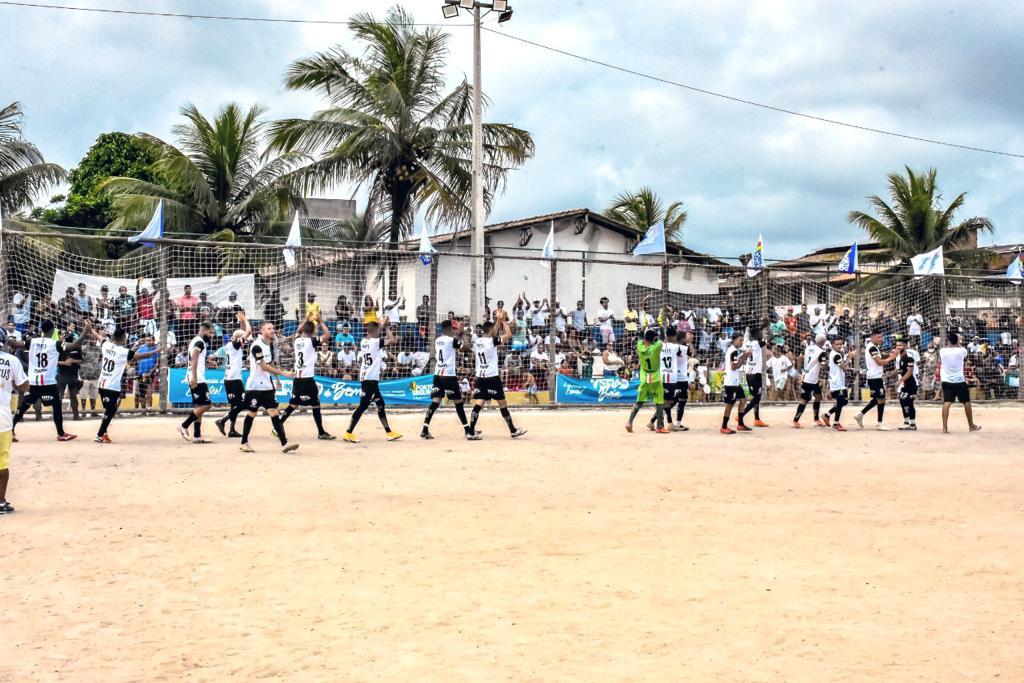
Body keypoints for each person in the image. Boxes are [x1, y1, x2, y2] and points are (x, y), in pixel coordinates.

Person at [12, 319, 90, 442]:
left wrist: (6, 339)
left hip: (33, 382)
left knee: (23, 407)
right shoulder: (55, 343)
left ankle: (10, 429)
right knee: (56, 406)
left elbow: (15, 344)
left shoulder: (32, 341)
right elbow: (75, 345)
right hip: (48, 382)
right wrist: (86, 330)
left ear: (41, 330)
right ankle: (61, 433)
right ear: (53, 330)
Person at [84, 326, 160, 443]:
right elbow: (140, 356)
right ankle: (99, 434)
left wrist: (89, 326)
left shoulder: (107, 345)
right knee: (111, 411)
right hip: (112, 386)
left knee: (109, 410)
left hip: (102, 383)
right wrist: (156, 351)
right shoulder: (123, 352)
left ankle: (104, 434)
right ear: (123, 338)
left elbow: (97, 336)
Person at [239, 321, 299, 453]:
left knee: (274, 412)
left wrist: (277, 379)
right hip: (254, 386)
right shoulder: (256, 346)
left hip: (267, 386)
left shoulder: (269, 345)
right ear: (262, 331)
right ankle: (244, 442)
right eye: (269, 328)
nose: (272, 330)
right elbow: (264, 366)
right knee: (252, 413)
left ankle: (284, 444)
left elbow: (270, 363)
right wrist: (283, 373)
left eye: (273, 328)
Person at [466, 318, 527, 440]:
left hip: (481, 377)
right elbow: (509, 335)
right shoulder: (492, 341)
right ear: (491, 330)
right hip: (492, 377)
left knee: (479, 403)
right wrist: (504, 321)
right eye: (494, 329)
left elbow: (492, 332)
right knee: (502, 404)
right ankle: (513, 430)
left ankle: (470, 431)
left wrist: (497, 322)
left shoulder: (477, 341)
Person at [277, 314, 335, 440]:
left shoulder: (297, 340)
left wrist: (306, 319)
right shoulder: (312, 341)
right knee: (315, 404)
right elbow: (328, 335)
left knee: (294, 404)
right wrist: (320, 321)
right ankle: (321, 432)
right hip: (307, 379)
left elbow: (298, 331)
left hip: (298, 378)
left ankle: (278, 426)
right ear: (313, 331)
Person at [344, 320, 401, 443]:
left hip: (368, 378)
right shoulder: (376, 342)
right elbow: (392, 340)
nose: (380, 332)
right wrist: (386, 327)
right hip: (370, 378)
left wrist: (379, 325)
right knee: (363, 406)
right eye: (379, 331)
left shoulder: (363, 341)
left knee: (381, 404)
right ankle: (348, 432)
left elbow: (373, 331)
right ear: (375, 331)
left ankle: (389, 432)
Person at [421, 319, 473, 440]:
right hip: (448, 375)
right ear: (449, 328)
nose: (454, 330)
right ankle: (468, 431)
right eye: (453, 328)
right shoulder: (451, 340)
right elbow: (466, 347)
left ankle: (424, 429)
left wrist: (457, 335)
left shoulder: (438, 340)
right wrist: (462, 334)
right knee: (459, 403)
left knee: (435, 402)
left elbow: (452, 343)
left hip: (438, 374)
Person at [0, 329, 28, 514]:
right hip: (2, 420)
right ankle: (1, 502)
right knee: (2, 463)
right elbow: (24, 386)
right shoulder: (11, 360)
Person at [177, 321, 215, 444]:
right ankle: (184, 425)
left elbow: (196, 359)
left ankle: (197, 435)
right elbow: (193, 359)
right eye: (210, 333)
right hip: (197, 377)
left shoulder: (196, 341)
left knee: (199, 406)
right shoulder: (199, 342)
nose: (212, 335)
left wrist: (209, 362)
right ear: (203, 330)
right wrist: (194, 377)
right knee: (207, 404)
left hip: (196, 375)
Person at [215, 312, 251, 438]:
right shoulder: (235, 345)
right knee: (244, 403)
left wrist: (241, 320)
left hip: (230, 379)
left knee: (234, 405)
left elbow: (241, 333)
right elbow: (248, 332)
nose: (245, 342)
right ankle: (222, 420)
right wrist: (245, 319)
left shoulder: (232, 345)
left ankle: (231, 429)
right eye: (243, 340)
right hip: (234, 380)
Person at [625, 329, 668, 433]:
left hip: (644, 377)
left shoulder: (639, 346)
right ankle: (660, 426)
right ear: (653, 339)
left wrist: (643, 328)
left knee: (639, 401)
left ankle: (629, 422)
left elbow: (640, 338)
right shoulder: (656, 347)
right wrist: (662, 327)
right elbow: (662, 339)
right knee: (659, 402)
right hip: (655, 377)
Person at [938, 332, 981, 434]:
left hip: (946, 380)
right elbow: (961, 348)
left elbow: (946, 347)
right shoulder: (962, 350)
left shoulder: (942, 351)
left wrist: (952, 342)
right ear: (957, 341)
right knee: (966, 402)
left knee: (947, 402)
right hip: (959, 380)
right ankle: (971, 426)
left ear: (948, 341)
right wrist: (958, 342)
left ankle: (944, 428)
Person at [855, 330, 896, 431]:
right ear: (872, 337)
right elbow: (880, 362)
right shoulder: (872, 347)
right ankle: (879, 423)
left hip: (875, 377)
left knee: (878, 399)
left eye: (881, 337)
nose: (881, 339)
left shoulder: (873, 347)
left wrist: (890, 353)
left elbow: (881, 354)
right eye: (878, 337)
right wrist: (891, 357)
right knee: (881, 399)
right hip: (874, 377)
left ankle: (860, 414)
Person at [648, 327, 686, 432]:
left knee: (666, 401)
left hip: (661, 375)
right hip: (670, 377)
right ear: (673, 337)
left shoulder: (659, 346)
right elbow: (684, 353)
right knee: (666, 401)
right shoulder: (675, 347)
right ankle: (667, 423)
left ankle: (653, 422)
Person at [792, 334, 827, 429]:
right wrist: (827, 364)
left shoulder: (808, 348)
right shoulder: (821, 352)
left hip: (809, 377)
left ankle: (816, 419)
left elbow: (799, 359)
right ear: (824, 342)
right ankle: (795, 421)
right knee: (805, 400)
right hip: (810, 379)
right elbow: (824, 366)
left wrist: (799, 371)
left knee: (818, 396)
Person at [721, 332, 752, 434]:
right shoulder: (733, 351)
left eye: (742, 340)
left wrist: (743, 356)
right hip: (731, 381)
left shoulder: (735, 350)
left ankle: (741, 424)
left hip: (736, 381)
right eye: (740, 340)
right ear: (734, 340)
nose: (741, 342)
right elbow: (734, 367)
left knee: (743, 399)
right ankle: (724, 426)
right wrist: (744, 357)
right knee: (730, 403)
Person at [740, 325, 769, 428]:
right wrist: (767, 326)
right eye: (760, 333)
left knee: (754, 396)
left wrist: (748, 330)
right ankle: (741, 415)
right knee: (757, 398)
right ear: (757, 335)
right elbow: (770, 338)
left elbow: (747, 337)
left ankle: (757, 419)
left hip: (747, 373)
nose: (761, 334)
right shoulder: (757, 343)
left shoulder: (746, 343)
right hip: (755, 374)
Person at [822, 338, 850, 431]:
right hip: (837, 383)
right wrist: (850, 357)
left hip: (839, 382)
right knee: (841, 402)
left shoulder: (836, 354)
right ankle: (836, 423)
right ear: (832, 345)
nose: (839, 346)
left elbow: (841, 367)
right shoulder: (836, 355)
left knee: (844, 401)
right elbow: (843, 367)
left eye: (840, 344)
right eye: (837, 344)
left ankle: (827, 415)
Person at [56, 326, 83, 421]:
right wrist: (64, 363)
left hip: (73, 375)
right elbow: (54, 361)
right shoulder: (59, 347)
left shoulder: (77, 347)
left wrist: (73, 361)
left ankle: (76, 415)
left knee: (73, 397)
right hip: (62, 374)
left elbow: (81, 360)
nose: (66, 337)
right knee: (59, 396)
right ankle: (57, 415)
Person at [894, 336, 920, 431]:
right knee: (902, 401)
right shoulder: (900, 358)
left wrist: (900, 380)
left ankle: (912, 424)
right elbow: (900, 370)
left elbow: (910, 372)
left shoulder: (909, 358)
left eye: (900, 345)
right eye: (897, 345)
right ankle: (907, 422)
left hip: (912, 384)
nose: (898, 347)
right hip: (905, 384)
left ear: (905, 346)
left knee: (909, 402)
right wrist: (891, 374)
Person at [134, 333, 160, 414]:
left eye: (150, 340)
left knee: (149, 391)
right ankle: (143, 409)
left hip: (150, 373)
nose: (148, 342)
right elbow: (135, 355)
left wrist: (151, 371)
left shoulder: (156, 349)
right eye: (147, 340)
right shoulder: (142, 347)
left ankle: (149, 409)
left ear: (153, 341)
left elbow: (157, 363)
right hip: (141, 373)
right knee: (141, 392)